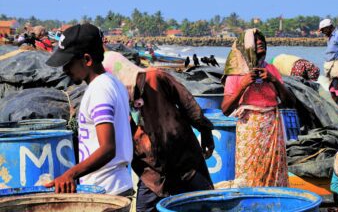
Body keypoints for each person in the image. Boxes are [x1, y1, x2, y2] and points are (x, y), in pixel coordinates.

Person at [102, 51, 215, 212]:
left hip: (183, 157)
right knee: (144, 208)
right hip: (152, 169)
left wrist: (205, 131)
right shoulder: (116, 98)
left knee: (205, 203)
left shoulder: (155, 77)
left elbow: (188, 103)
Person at [44, 24, 134, 197]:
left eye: (68, 63)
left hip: (107, 190)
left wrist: (70, 174)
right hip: (114, 186)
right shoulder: (112, 82)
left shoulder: (100, 89)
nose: (64, 70)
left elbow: (108, 148)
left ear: (87, 60)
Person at [221, 28, 294, 187]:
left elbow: (289, 102)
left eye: (262, 40)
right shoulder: (236, 73)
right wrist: (243, 85)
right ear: (245, 47)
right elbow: (225, 109)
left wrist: (273, 80)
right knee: (250, 173)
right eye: (255, 41)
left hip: (272, 128)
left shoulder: (272, 70)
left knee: (274, 173)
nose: (260, 42)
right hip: (249, 131)